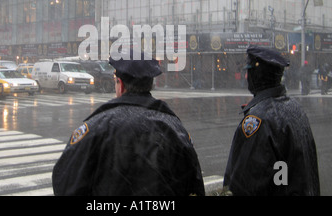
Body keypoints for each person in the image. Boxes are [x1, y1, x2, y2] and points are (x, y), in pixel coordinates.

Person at [52, 50, 205, 196]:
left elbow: (64, 182)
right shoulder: (175, 129)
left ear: (121, 84)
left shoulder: (95, 127)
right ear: (150, 84)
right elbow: (194, 185)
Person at [224, 45, 320, 196]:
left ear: (256, 75)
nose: (246, 77)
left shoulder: (258, 121)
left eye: (249, 71)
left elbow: (244, 185)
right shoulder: (295, 108)